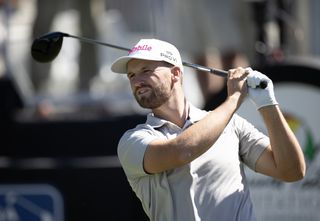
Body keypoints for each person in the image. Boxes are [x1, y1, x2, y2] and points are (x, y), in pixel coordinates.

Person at [110, 38, 306, 221]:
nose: (137, 81)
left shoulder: (232, 124)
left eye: (146, 70)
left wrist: (267, 103)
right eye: (132, 75)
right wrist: (234, 99)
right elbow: (181, 151)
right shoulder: (133, 140)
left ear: (176, 73)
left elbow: (291, 171)